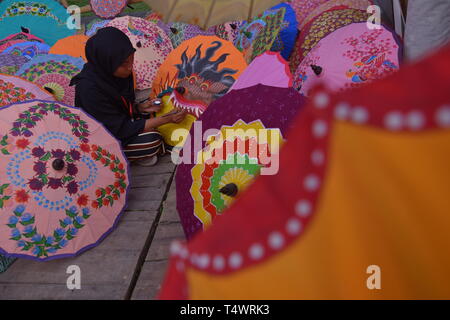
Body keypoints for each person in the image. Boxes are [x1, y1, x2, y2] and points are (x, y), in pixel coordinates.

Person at [70, 27, 186, 166]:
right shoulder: (89, 89)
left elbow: (120, 107)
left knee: (159, 107)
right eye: (124, 64)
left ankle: (142, 150)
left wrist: (139, 108)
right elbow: (118, 128)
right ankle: (132, 156)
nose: (130, 67)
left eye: (131, 59)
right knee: (152, 140)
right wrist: (168, 119)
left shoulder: (118, 73)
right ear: (107, 62)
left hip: (120, 122)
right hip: (104, 137)